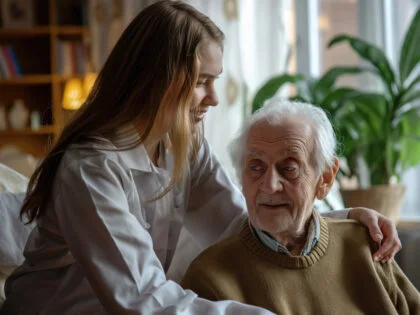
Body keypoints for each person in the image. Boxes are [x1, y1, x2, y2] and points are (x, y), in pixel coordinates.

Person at [0, 1, 401, 314]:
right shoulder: (90, 169)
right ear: (158, 78)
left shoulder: (184, 144)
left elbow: (242, 227)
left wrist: (338, 221)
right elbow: (141, 301)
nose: (212, 98)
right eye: (201, 82)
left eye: (216, 81)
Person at [181, 98, 420, 314]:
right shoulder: (209, 278)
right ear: (241, 179)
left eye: (289, 168)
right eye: (256, 167)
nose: (270, 185)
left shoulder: (366, 246)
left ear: (325, 179)